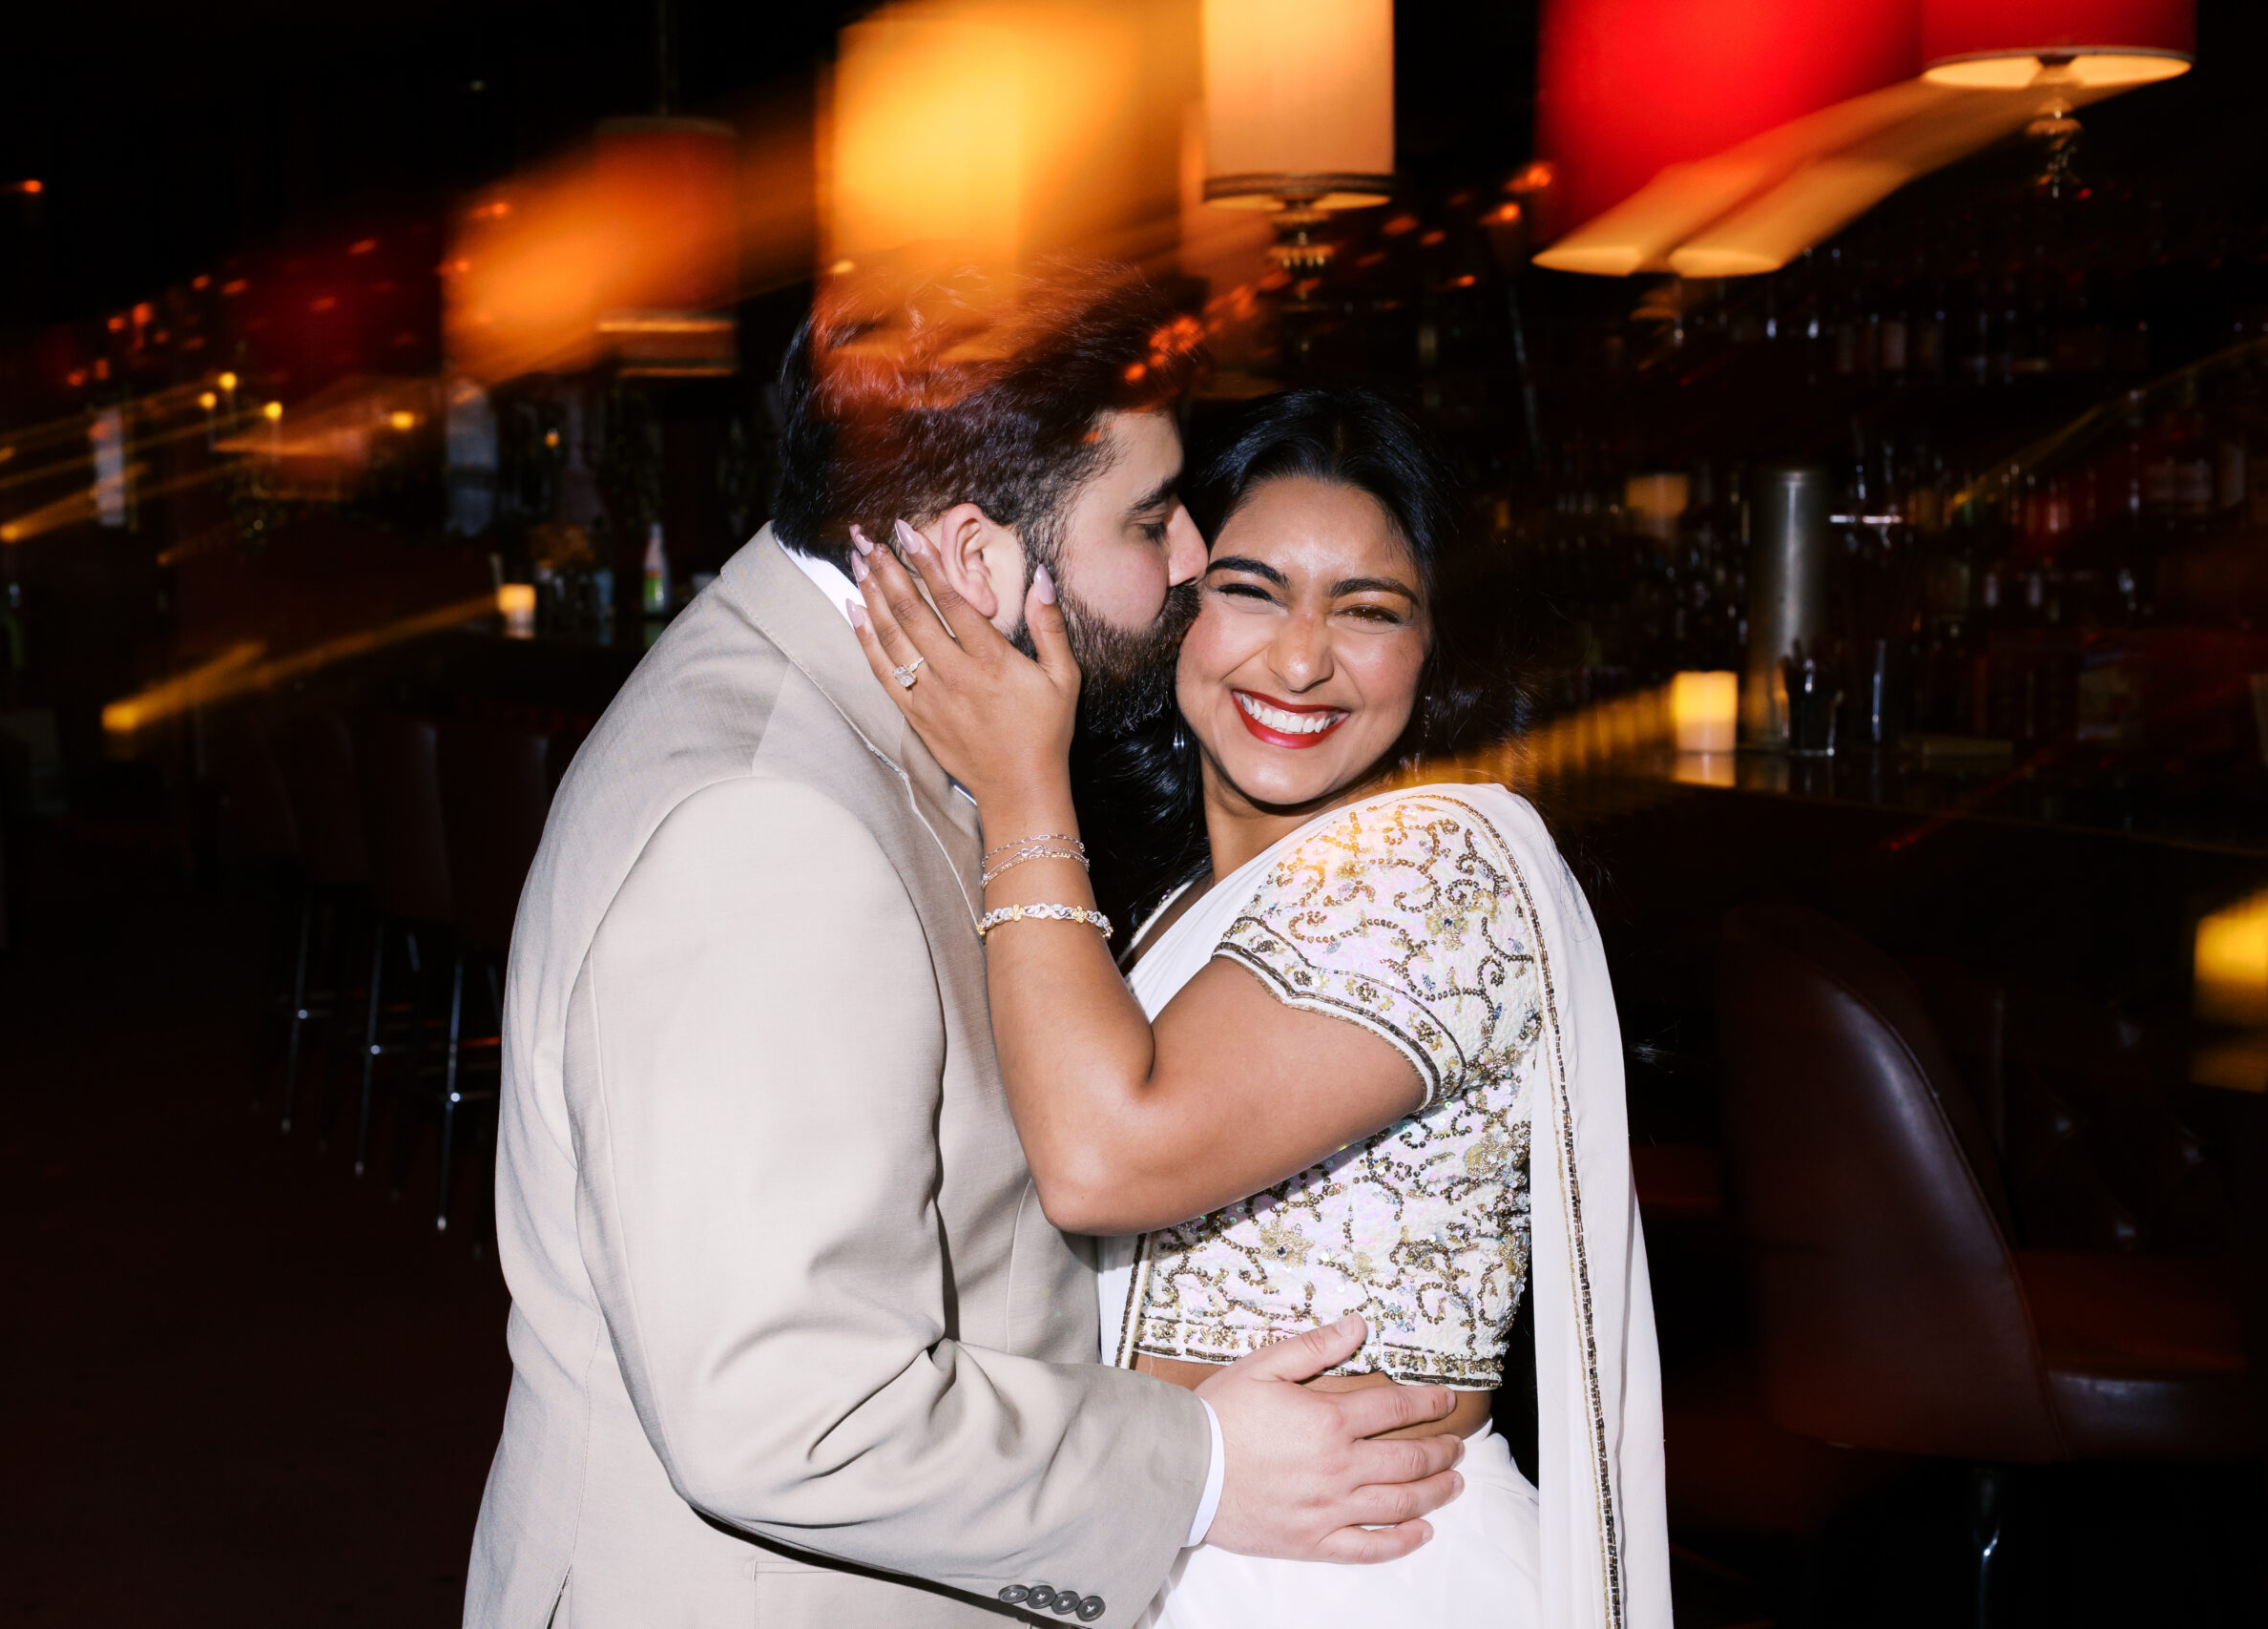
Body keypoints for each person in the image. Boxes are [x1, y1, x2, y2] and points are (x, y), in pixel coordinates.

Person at [463, 264, 1467, 1629]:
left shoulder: (870, 704)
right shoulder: (768, 821)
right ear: (975, 554)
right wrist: (1203, 1467)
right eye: (1153, 520)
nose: (1187, 564)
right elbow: (791, 1411)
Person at [846, 387, 1672, 1629]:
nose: (1300, 659)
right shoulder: (1178, 907)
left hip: (1366, 1583)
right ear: (1173, 594)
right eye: (1252, 589)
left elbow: (1104, 1161)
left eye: (1370, 610)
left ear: (1435, 644)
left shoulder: (1440, 868)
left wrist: (1025, 787)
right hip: (1159, 1544)